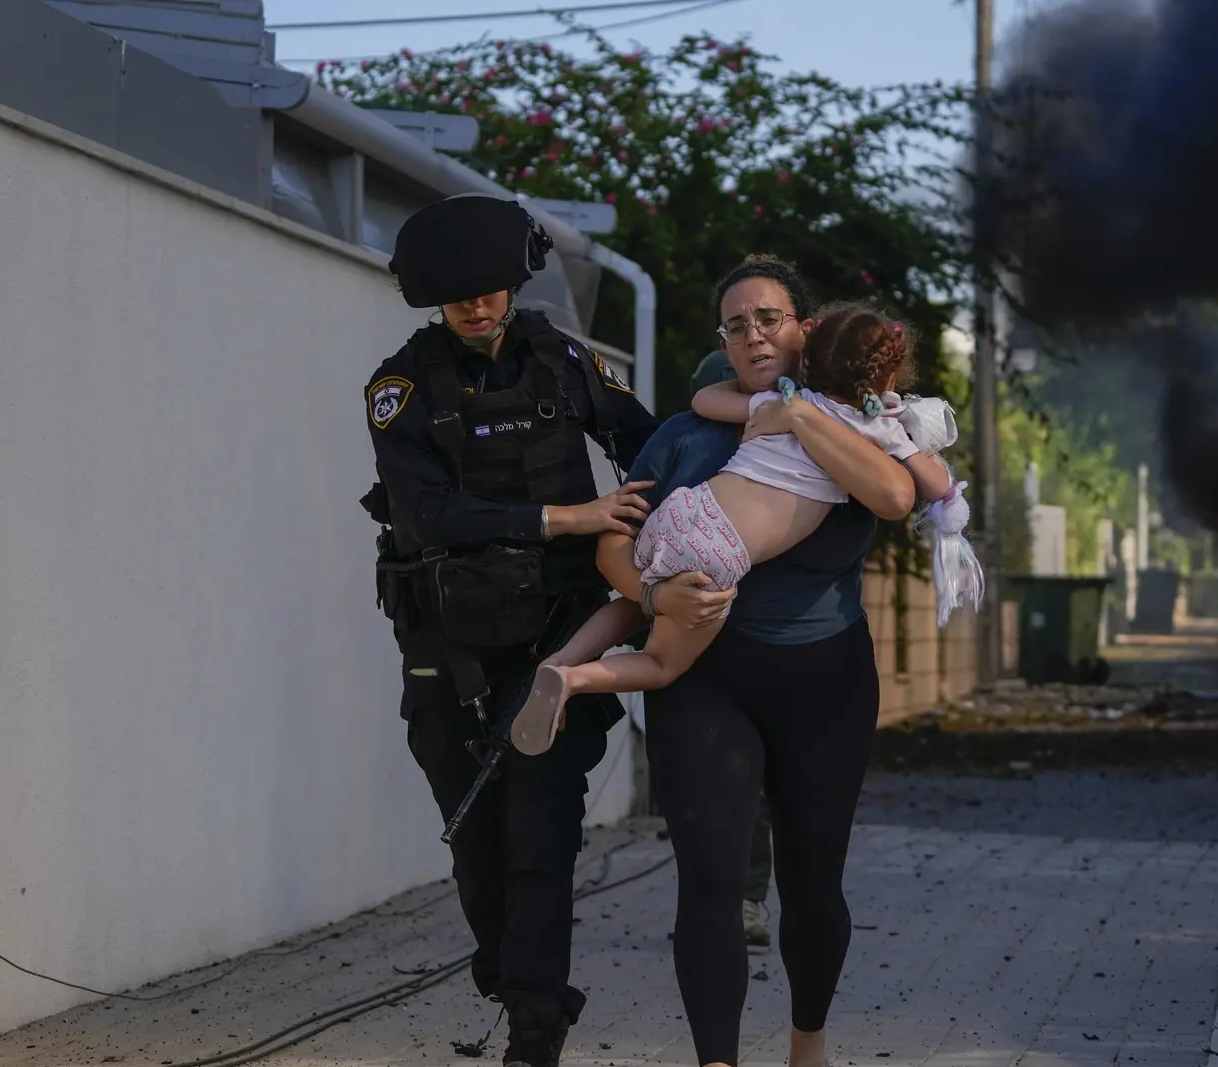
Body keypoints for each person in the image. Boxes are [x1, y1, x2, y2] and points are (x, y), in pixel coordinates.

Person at [596, 254, 921, 1067]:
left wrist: (797, 415)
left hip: (826, 680)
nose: (753, 335)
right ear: (725, 341)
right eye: (736, 324)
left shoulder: (857, 421)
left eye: (768, 318)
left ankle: (806, 1043)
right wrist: (650, 592)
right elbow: (612, 537)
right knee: (708, 880)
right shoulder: (684, 434)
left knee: (813, 887)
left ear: (803, 328)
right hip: (707, 677)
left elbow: (896, 496)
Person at [359, 194, 661, 1067]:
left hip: (555, 640)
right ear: (432, 300)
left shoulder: (564, 361)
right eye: (459, 297)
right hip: (447, 644)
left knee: (541, 831)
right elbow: (426, 518)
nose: (478, 307)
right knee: (475, 833)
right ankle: (512, 972)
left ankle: (535, 1024)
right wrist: (572, 517)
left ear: (512, 281)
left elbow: (645, 447)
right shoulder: (400, 387)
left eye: (490, 289)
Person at [503, 302, 962, 749]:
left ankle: (560, 657)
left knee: (637, 601)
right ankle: (573, 679)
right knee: (662, 663)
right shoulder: (874, 428)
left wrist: (768, 411)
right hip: (718, 551)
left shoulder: (784, 401)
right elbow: (934, 483)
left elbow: (704, 398)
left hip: (687, 510)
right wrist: (911, 440)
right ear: (884, 376)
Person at [690, 351, 779, 953]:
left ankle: (745, 898)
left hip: (764, 640)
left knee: (753, 781)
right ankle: (711, 899)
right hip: (695, 635)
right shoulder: (685, 447)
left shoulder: (785, 445)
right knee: (703, 781)